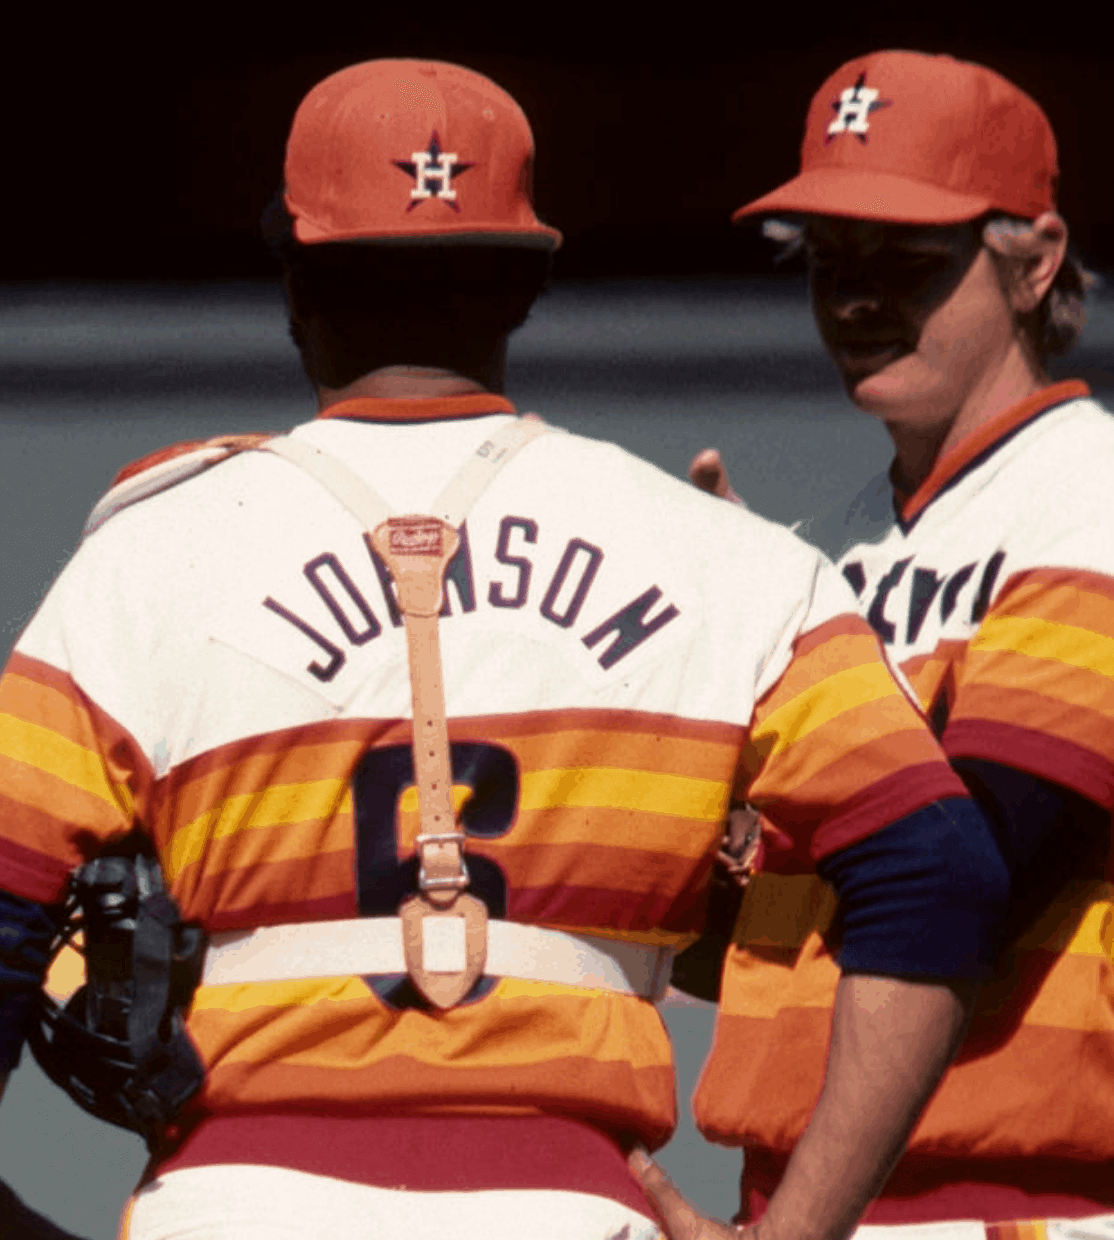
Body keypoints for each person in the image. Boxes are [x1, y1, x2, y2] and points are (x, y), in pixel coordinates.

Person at [0, 58, 1012, 1240]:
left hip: (236, 1203)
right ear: (528, 285)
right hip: (572, 1207)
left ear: (296, 284)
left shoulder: (149, 553)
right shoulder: (728, 564)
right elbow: (941, 874)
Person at [656, 47, 1114, 1240]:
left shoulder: (1091, 495)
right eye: (830, 265)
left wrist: (781, 743)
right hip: (805, 1192)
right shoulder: (834, 552)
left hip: (1012, 1199)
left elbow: (975, 863)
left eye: (904, 264)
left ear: (1036, 261)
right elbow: (735, 936)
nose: (857, 300)